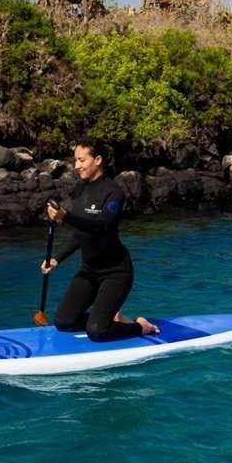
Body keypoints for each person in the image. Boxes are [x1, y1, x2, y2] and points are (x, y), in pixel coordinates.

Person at [40, 139, 160, 341]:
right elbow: (80, 233)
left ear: (97, 160)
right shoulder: (80, 189)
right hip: (89, 270)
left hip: (115, 272)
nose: (76, 166)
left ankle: (140, 326)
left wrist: (65, 216)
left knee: (97, 332)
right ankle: (108, 319)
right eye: (75, 161)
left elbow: (101, 228)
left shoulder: (114, 193)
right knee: (64, 322)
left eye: (81, 160)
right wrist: (57, 259)